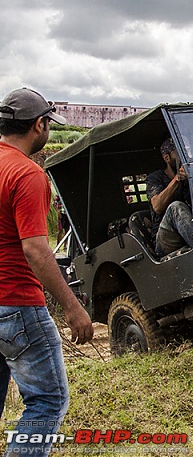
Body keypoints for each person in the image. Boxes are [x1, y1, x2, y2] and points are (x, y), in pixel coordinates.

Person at [0, 88, 94, 455]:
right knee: (47, 401)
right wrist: (72, 307)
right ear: (39, 126)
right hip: (17, 304)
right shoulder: (27, 174)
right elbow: (36, 249)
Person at [146, 137, 193, 257]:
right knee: (176, 207)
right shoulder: (155, 178)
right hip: (165, 241)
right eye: (180, 152)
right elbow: (157, 206)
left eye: (188, 151)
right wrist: (177, 179)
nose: (186, 156)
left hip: (190, 228)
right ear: (167, 158)